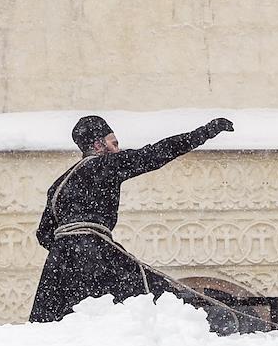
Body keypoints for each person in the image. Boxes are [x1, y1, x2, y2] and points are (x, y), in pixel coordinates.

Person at [29, 115, 235, 324]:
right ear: (99, 145)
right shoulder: (105, 165)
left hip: (58, 264)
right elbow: (156, 153)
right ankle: (205, 321)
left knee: (55, 323)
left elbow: (43, 234)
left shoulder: (57, 186)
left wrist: (68, 252)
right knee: (152, 295)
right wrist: (205, 132)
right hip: (95, 250)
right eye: (114, 143)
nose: (118, 149)